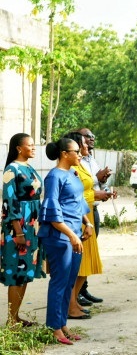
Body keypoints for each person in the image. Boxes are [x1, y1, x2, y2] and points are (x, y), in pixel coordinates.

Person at [39, 137, 92, 345]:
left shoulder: (72, 173)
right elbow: (52, 212)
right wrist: (70, 235)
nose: (80, 154)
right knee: (60, 282)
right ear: (64, 154)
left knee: (69, 282)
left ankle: (62, 324)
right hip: (60, 237)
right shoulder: (54, 177)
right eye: (76, 151)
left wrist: (87, 223)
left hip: (75, 235)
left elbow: (78, 202)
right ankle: (54, 328)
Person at [1, 133, 45, 327]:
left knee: (25, 271)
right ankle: (11, 321)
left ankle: (16, 316)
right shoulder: (12, 169)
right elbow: (9, 203)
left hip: (31, 225)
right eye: (31, 145)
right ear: (19, 148)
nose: (34, 148)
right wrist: (18, 232)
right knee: (16, 273)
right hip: (18, 226)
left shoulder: (29, 167)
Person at [63, 132, 103, 320]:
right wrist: (95, 196)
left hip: (86, 217)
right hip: (76, 219)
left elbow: (82, 193)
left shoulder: (82, 164)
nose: (83, 149)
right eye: (80, 146)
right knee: (76, 266)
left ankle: (73, 302)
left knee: (84, 266)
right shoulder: (65, 172)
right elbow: (71, 198)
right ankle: (69, 304)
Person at [76, 127, 112, 305]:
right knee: (80, 254)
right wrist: (96, 189)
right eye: (87, 137)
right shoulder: (74, 163)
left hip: (92, 211)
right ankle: (74, 296)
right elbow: (78, 190)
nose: (91, 140)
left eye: (92, 136)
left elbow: (93, 182)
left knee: (89, 253)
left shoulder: (91, 159)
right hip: (80, 213)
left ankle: (83, 289)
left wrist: (102, 180)